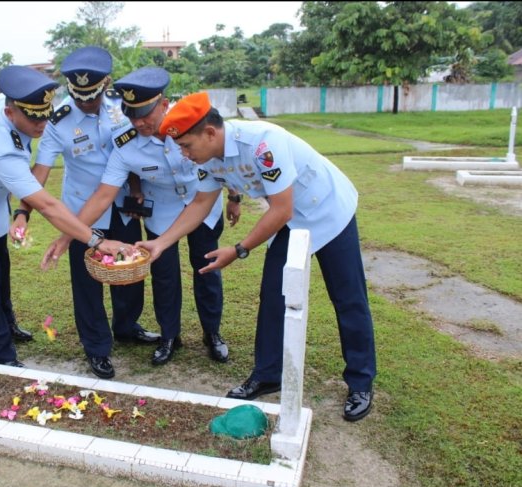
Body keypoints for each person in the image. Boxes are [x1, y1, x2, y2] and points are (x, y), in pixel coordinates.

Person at [139, 92, 377, 422]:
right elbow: (199, 205)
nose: (184, 154)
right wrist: (162, 243)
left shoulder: (263, 143)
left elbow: (281, 209)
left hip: (328, 208)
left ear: (210, 133)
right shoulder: (206, 159)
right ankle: (268, 374)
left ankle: (360, 382)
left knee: (347, 297)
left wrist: (238, 250)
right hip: (293, 218)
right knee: (273, 295)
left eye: (186, 146)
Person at [43, 68, 239, 367]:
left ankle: (212, 333)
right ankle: (169, 336)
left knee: (207, 269)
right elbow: (104, 195)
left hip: (204, 205)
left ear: (163, 104)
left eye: (146, 113)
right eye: (132, 114)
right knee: (164, 277)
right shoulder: (126, 143)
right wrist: (68, 235)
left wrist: (235, 196)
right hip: (162, 211)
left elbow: (224, 159)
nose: (139, 122)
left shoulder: (193, 123)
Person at [0, 65, 129, 368]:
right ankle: (3, 355)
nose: (42, 123)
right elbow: (48, 206)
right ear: (10, 113)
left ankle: (9, 324)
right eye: (33, 117)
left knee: (0, 271)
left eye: (45, 113)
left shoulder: (0, 106)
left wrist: (19, 215)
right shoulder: (0, 150)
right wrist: (95, 240)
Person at [21, 47, 158, 380]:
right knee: (87, 283)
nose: (86, 103)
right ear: (71, 91)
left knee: (129, 269)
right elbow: (40, 170)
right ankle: (97, 347)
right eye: (80, 97)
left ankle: (126, 326)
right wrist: (22, 210)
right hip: (81, 211)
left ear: (106, 85)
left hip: (123, 206)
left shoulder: (123, 108)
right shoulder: (59, 121)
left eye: (92, 97)